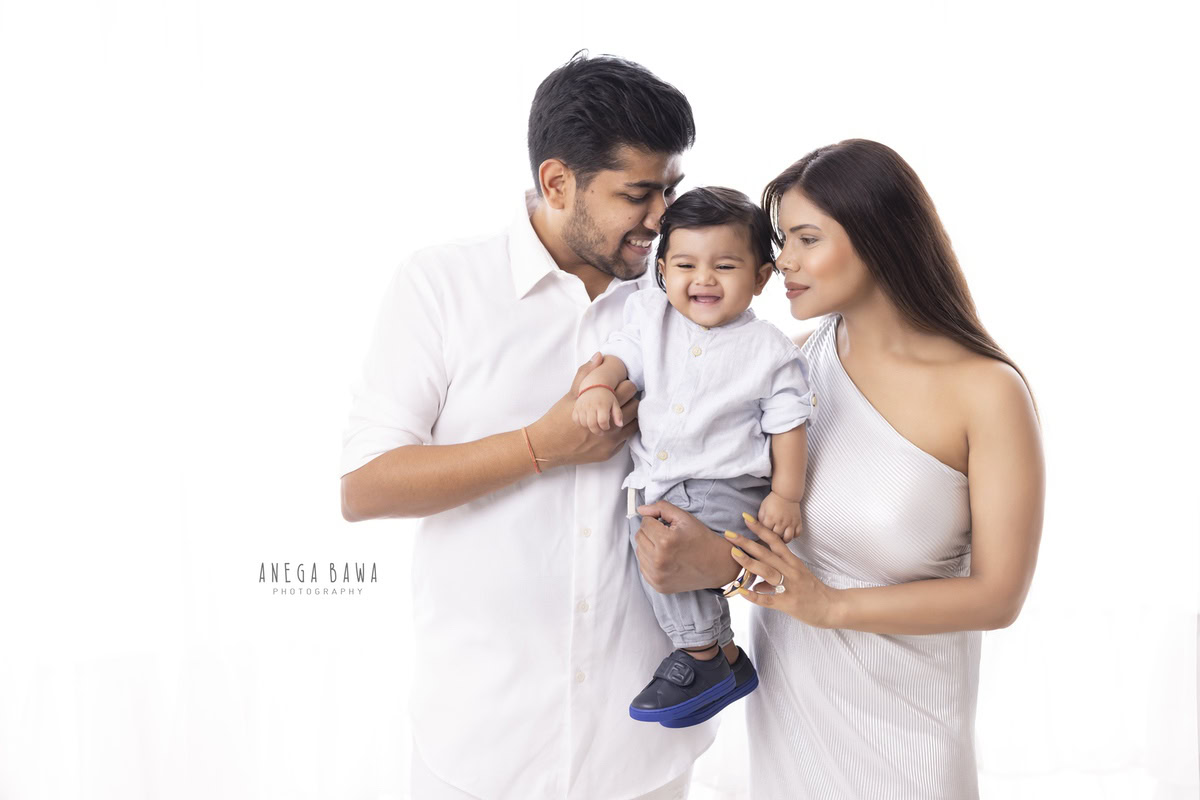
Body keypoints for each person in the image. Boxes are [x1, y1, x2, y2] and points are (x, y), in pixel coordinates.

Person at [339, 53, 709, 799]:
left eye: (672, 189)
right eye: (638, 194)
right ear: (555, 182)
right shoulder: (441, 287)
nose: (662, 218)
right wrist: (541, 447)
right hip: (480, 746)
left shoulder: (691, 300)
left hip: (642, 753)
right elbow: (365, 488)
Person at [633, 139, 1044, 798]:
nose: (781, 260)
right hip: (789, 722)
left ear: (879, 236)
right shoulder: (788, 368)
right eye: (779, 240)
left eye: (805, 238)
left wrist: (829, 606)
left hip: (908, 736)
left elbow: (999, 597)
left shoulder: (987, 393)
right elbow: (755, 526)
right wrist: (707, 558)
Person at [571, 186, 814, 726]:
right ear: (662, 269)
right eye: (684, 264)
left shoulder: (770, 350)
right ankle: (726, 658)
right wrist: (599, 386)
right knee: (656, 551)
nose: (703, 279)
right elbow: (620, 356)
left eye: (724, 266)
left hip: (729, 485)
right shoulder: (651, 316)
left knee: (664, 555)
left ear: (760, 277)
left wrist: (786, 494)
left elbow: (788, 424)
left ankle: (701, 654)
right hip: (661, 480)